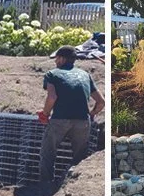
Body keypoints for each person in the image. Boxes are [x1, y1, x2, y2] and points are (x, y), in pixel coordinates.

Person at [38, 45, 104, 185]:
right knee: (79, 156)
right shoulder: (85, 75)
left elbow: (52, 97)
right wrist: (91, 114)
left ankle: (45, 185)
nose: (55, 61)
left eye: (56, 58)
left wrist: (45, 114)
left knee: (47, 153)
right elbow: (101, 102)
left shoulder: (52, 74)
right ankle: (74, 185)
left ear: (62, 59)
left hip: (59, 120)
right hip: (83, 121)